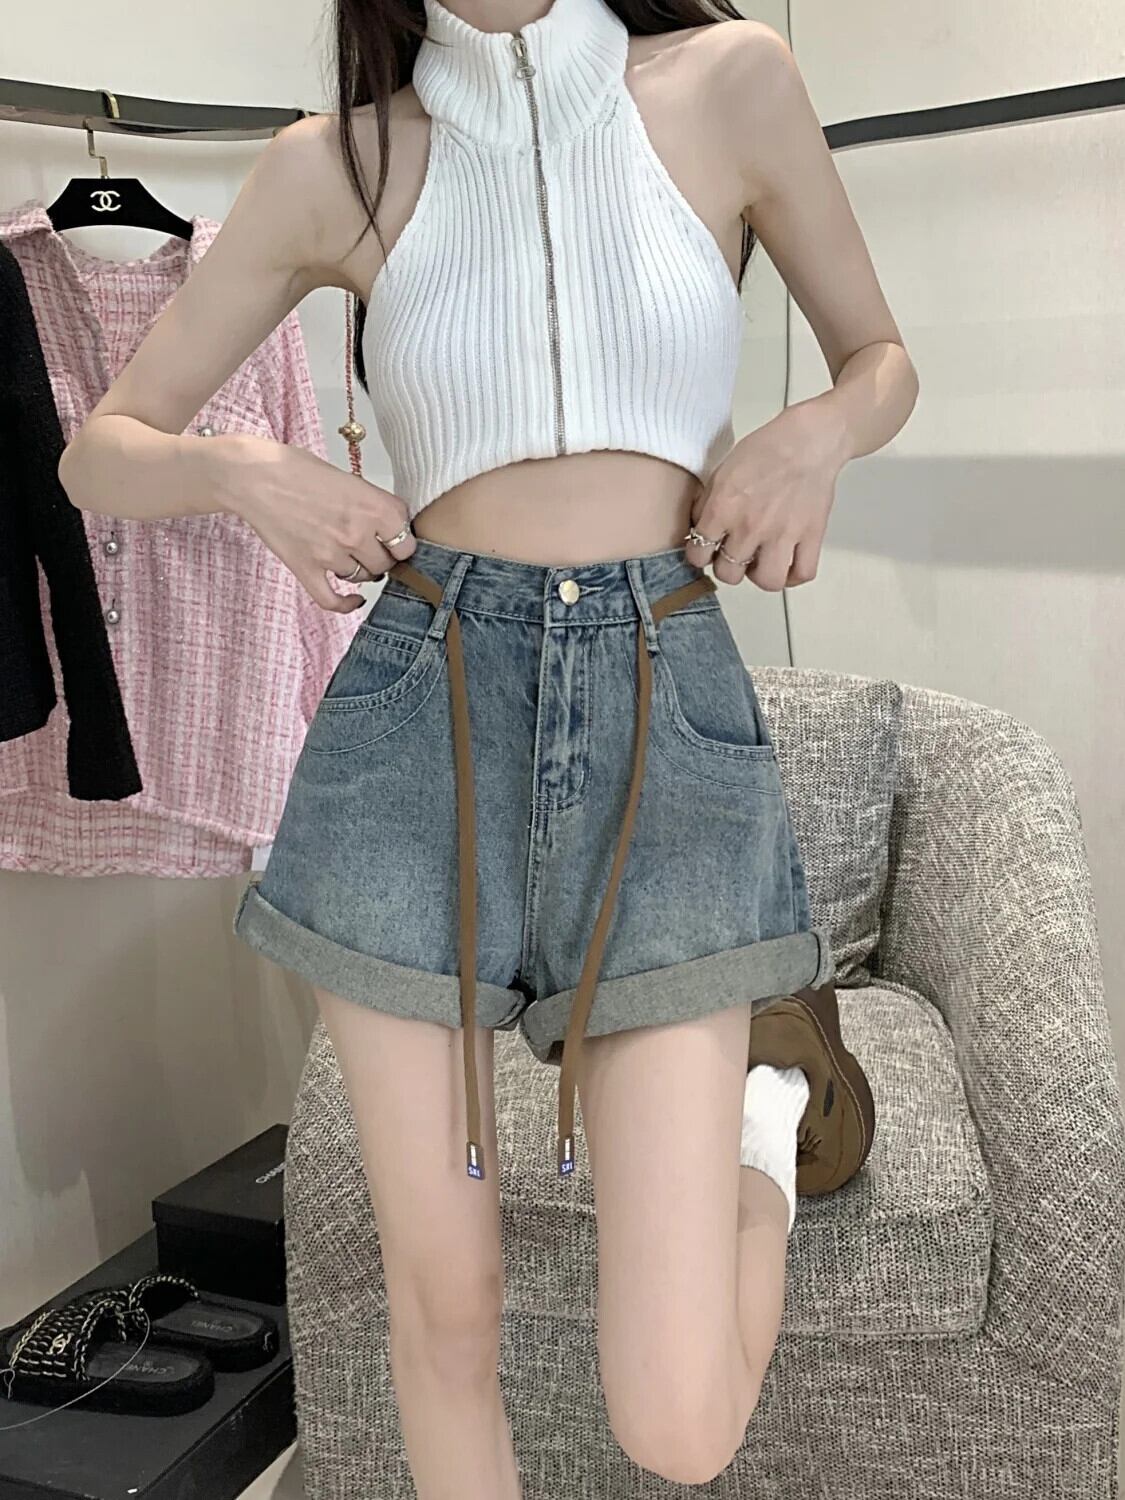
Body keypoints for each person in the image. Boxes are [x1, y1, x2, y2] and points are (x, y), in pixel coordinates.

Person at [59, 0, 918, 1490]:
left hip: (664, 710)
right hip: (418, 731)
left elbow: (882, 359)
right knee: (444, 1305)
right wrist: (249, 470)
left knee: (677, 1425)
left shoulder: (729, 83)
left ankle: (769, 1116)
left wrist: (814, 433)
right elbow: (99, 450)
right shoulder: (337, 163)